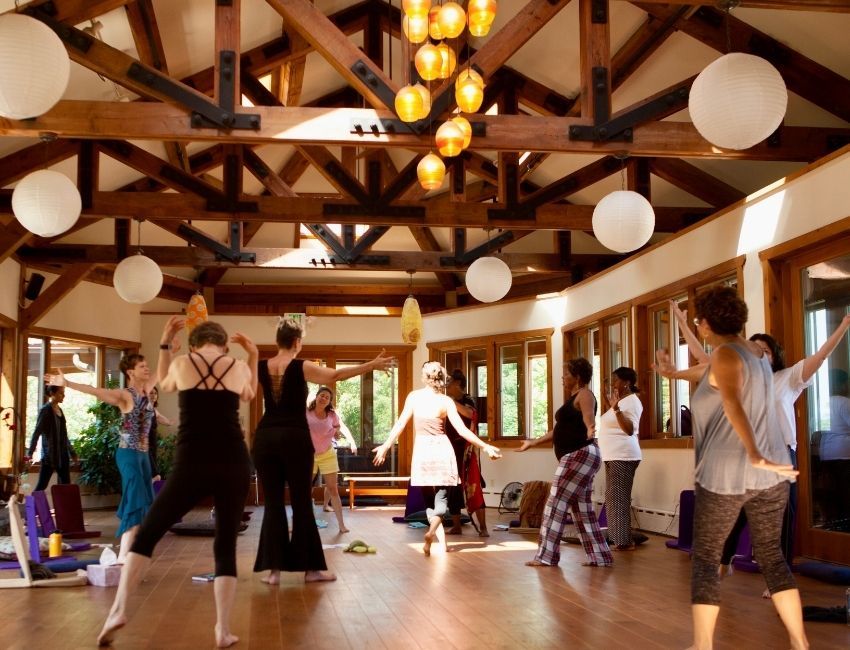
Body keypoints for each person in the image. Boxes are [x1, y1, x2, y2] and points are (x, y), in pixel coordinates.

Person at [655, 286, 807, 650]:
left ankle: (702, 644)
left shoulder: (726, 356)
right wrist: (673, 374)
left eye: (698, 322)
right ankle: (800, 641)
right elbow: (708, 367)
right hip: (771, 473)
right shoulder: (755, 352)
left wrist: (753, 453)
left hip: (729, 473)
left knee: (706, 560)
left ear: (707, 324)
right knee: (772, 557)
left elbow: (732, 402)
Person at [97, 317, 258, 648]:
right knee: (225, 545)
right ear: (224, 345)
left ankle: (119, 610)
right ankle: (222, 629)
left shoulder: (184, 363)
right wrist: (253, 356)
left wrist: (165, 343)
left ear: (195, 344)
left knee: (148, 533)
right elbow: (250, 393)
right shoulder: (238, 366)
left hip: (192, 462)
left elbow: (166, 385)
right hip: (233, 461)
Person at [671, 304, 850, 571]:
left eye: (764, 351)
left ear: (774, 356)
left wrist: (844, 324)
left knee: (784, 514)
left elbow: (821, 355)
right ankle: (724, 560)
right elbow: (704, 359)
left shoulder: (788, 378)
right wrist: (682, 324)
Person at [253, 317, 395, 585]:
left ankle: (274, 572)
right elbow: (335, 375)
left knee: (273, 504)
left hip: (265, 438)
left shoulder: (261, 366)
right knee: (301, 502)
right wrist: (371, 365)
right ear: (297, 342)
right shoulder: (300, 366)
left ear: (277, 341)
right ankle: (311, 570)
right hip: (294, 439)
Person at [373, 361, 501, 555]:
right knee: (442, 500)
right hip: (442, 451)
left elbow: (400, 424)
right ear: (443, 379)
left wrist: (385, 446)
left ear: (424, 377)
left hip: (423, 451)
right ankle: (435, 536)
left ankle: (433, 536)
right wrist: (485, 446)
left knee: (429, 502)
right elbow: (462, 430)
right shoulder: (446, 401)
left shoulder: (414, 397)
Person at [45, 353, 157, 563]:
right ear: (131, 372)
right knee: (135, 505)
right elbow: (96, 391)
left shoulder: (147, 391)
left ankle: (132, 556)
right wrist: (68, 383)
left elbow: (164, 369)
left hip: (143, 457)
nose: (147, 369)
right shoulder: (124, 395)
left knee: (145, 508)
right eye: (142, 366)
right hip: (129, 455)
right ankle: (123, 558)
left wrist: (168, 345)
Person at [517, 358, 612, 568]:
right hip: (582, 455)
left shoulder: (585, 394)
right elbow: (558, 430)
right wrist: (533, 443)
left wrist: (590, 427)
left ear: (577, 377)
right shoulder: (572, 399)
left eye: (566, 374)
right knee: (582, 509)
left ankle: (546, 556)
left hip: (580, 455)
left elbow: (588, 415)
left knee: (555, 504)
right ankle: (600, 556)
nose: (562, 377)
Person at [598, 366, 643, 551]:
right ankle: (618, 538)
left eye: (615, 380)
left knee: (618, 498)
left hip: (623, 455)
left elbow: (629, 429)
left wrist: (616, 410)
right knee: (613, 498)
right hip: (613, 455)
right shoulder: (621, 402)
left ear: (627, 382)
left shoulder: (632, 402)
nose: (613, 384)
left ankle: (624, 542)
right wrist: (611, 404)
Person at [444, 369, 488, 537]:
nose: (446, 386)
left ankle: (483, 527)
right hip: (450, 450)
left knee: (474, 486)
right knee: (453, 488)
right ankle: (457, 526)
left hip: (467, 451)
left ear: (457, 383)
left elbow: (470, 414)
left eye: (449, 382)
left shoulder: (468, 399)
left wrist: (451, 402)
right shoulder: (447, 401)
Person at [308, 386, 356, 532]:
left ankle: (341, 525)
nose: (324, 398)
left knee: (333, 489)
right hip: (309, 455)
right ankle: (298, 523)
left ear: (329, 402)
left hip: (327, 454)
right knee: (304, 490)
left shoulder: (332, 415)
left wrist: (337, 434)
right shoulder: (306, 412)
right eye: (322, 395)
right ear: (317, 396)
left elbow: (338, 427)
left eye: (327, 397)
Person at [26, 385, 77, 492]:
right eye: (61, 393)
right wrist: (30, 453)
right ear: (52, 394)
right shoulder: (45, 410)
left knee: (66, 486)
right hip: (50, 456)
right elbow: (37, 433)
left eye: (63, 393)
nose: (63, 395)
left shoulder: (60, 411)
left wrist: (72, 452)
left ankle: (62, 504)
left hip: (62, 456)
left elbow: (64, 435)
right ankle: (30, 503)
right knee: (41, 486)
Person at [821, 368, 850, 528]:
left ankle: (832, 526)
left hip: (826, 452)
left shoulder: (822, 402)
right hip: (844, 453)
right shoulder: (844, 402)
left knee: (831, 494)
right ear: (842, 384)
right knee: (846, 493)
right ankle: (845, 528)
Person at [147, 386, 174, 483]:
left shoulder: (154, 411)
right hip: (145, 443)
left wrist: (169, 422)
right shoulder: (144, 408)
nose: (153, 395)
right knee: (153, 470)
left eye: (155, 393)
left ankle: (151, 482)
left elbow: (162, 419)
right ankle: (155, 476)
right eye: (151, 393)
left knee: (152, 464)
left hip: (153, 442)